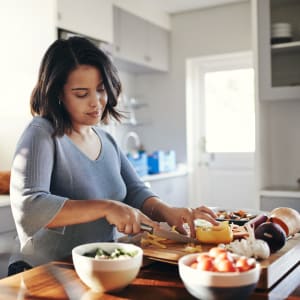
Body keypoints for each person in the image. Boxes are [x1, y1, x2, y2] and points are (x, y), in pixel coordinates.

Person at [8, 36, 218, 275]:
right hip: (42, 270)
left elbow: (135, 191)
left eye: (100, 90)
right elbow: (30, 206)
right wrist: (107, 207)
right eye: (81, 93)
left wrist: (168, 212)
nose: (96, 102)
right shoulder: (41, 133)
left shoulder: (105, 138)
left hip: (94, 268)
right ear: (58, 93)